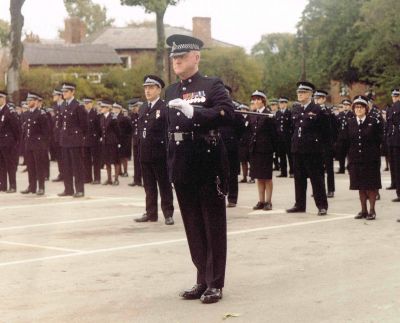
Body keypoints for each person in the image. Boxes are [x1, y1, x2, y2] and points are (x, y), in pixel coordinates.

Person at [165, 34, 234, 303]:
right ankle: (201, 279)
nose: (176, 61)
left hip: (207, 162)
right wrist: (169, 165)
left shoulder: (212, 85)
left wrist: (195, 113)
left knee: (213, 224)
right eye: (173, 57)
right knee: (193, 225)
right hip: (182, 162)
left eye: (181, 57)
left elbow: (228, 114)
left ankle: (215, 282)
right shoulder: (171, 91)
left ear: (196, 57)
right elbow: (167, 132)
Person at [134, 75, 174, 225]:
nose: (147, 91)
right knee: (149, 186)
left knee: (164, 185)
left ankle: (168, 213)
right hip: (145, 152)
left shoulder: (164, 107)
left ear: (158, 89)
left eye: (151, 88)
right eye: (145, 88)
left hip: (160, 153)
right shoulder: (143, 107)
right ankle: (151, 213)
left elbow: (168, 131)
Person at [286, 81, 329, 216]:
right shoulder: (295, 109)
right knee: (299, 178)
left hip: (312, 150)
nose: (300, 94)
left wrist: (322, 147)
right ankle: (300, 204)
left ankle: (322, 205)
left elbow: (325, 130)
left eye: (303, 92)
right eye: (298, 92)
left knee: (316, 179)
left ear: (310, 94)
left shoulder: (317, 109)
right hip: (297, 148)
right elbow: (292, 127)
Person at [347, 96, 383, 220]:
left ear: (366, 109)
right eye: (356, 107)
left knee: (371, 185)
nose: (358, 109)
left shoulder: (373, 121)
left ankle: (372, 210)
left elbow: (379, 138)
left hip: (370, 159)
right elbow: (346, 140)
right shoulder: (350, 122)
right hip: (355, 158)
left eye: (361, 107)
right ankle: (363, 210)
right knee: (360, 185)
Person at [248, 90, 277, 211]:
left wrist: (274, 151)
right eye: (254, 99)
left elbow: (273, 134)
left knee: (267, 177)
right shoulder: (254, 114)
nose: (255, 101)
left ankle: (268, 201)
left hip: (266, 150)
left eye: (258, 99)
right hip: (256, 149)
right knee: (259, 177)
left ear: (263, 101)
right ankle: (261, 200)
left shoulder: (268, 115)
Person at [58, 82, 88, 198]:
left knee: (77, 166)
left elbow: (84, 125)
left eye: (66, 92)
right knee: (66, 166)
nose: (64, 94)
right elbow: (61, 123)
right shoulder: (63, 105)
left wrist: (80, 136)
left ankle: (79, 189)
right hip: (65, 139)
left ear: (72, 92)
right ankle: (68, 189)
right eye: (63, 92)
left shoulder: (78, 106)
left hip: (75, 140)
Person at [219, 86, 245, 208]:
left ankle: (232, 198)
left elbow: (241, 128)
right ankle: (221, 195)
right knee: (219, 173)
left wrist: (235, 139)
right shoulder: (215, 107)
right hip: (218, 144)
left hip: (231, 145)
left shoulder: (235, 108)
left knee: (232, 173)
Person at [20, 92, 49, 196]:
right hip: (29, 143)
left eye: (31, 100)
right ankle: (31, 186)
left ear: (36, 102)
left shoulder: (41, 114)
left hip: (38, 144)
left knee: (39, 166)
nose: (29, 102)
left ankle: (41, 187)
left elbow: (46, 131)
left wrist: (43, 144)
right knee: (31, 166)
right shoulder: (27, 114)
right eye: (28, 100)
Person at [314, 89, 336, 198]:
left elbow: (334, 129)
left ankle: (331, 189)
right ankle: (319, 189)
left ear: (323, 99)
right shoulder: (312, 111)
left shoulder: (329, 112)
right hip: (316, 144)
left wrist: (333, 143)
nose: (316, 100)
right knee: (317, 168)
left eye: (318, 98)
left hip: (327, 144)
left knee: (329, 168)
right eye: (315, 98)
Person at [0, 90, 20, 193]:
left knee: (10, 165)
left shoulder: (9, 111)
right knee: (1, 165)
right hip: (0, 143)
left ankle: (12, 185)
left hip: (8, 143)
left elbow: (16, 128)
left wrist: (15, 142)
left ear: (4, 99)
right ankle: (2, 185)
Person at [98, 100, 120, 185]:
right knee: (107, 161)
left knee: (115, 161)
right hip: (105, 142)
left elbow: (117, 131)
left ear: (107, 108)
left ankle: (116, 179)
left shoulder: (113, 117)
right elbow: (101, 130)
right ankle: (109, 179)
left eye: (103, 107)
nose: (101, 109)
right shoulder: (102, 117)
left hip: (112, 142)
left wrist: (118, 142)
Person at [82, 97, 101, 184]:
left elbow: (99, 127)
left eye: (88, 103)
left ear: (91, 104)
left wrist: (98, 137)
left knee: (96, 160)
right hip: (85, 140)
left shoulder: (96, 114)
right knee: (86, 160)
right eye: (85, 103)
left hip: (94, 139)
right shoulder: (83, 113)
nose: (86, 105)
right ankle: (87, 177)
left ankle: (97, 178)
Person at [386, 88, 400, 202]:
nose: (395, 98)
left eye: (397, 96)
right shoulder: (391, 108)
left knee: (398, 166)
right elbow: (389, 125)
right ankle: (395, 184)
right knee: (393, 165)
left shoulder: (397, 108)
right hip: (392, 139)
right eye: (393, 96)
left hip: (398, 140)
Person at [113, 102, 132, 178]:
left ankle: (125, 171)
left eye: (116, 108)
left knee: (124, 157)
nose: (115, 110)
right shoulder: (113, 117)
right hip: (116, 139)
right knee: (117, 156)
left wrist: (127, 138)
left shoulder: (124, 118)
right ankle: (119, 171)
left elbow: (130, 129)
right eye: (114, 108)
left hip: (124, 140)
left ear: (120, 109)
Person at [275, 96, 293, 178]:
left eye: (283, 103)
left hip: (288, 137)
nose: (281, 104)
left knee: (290, 155)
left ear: (286, 103)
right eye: (280, 103)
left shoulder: (290, 113)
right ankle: (283, 172)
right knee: (281, 155)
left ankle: (292, 171)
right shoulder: (278, 113)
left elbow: (292, 125)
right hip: (279, 137)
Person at [335, 99, 354, 174]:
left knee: (350, 154)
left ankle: (350, 168)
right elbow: (336, 126)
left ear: (350, 106)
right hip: (341, 137)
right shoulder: (340, 115)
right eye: (344, 105)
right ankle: (341, 168)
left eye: (347, 105)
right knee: (341, 154)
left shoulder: (352, 115)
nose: (345, 106)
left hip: (349, 137)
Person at [128, 99, 143, 187]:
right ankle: (136, 180)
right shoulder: (133, 115)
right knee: (136, 162)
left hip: (141, 141)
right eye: (133, 107)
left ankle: (143, 179)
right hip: (135, 141)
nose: (134, 109)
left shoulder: (143, 114)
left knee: (142, 162)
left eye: (135, 107)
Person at [51, 88, 65, 182]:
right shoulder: (55, 106)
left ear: (60, 95)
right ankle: (62, 173)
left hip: (64, 134)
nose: (53, 97)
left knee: (65, 156)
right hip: (56, 134)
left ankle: (67, 173)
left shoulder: (64, 105)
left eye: (55, 95)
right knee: (59, 156)